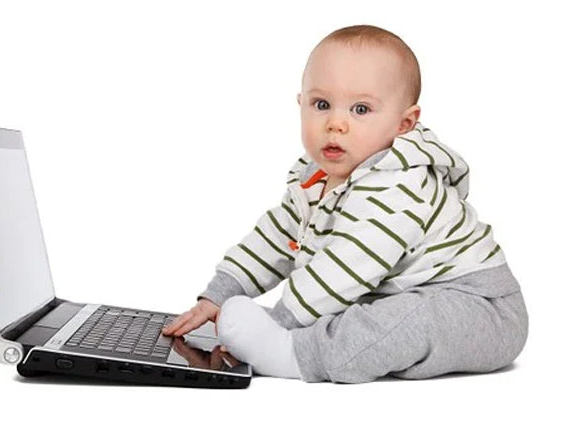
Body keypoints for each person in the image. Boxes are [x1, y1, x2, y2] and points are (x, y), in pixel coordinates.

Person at [162, 24, 529, 383]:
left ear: (404, 123)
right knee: (367, 315)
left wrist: (280, 320)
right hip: (407, 295)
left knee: (400, 322)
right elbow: (275, 237)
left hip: (479, 308)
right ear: (300, 104)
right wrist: (219, 294)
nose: (336, 123)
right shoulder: (317, 178)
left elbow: (348, 264)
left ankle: (290, 354)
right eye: (322, 104)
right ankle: (297, 336)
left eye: (361, 110)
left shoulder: (398, 184)